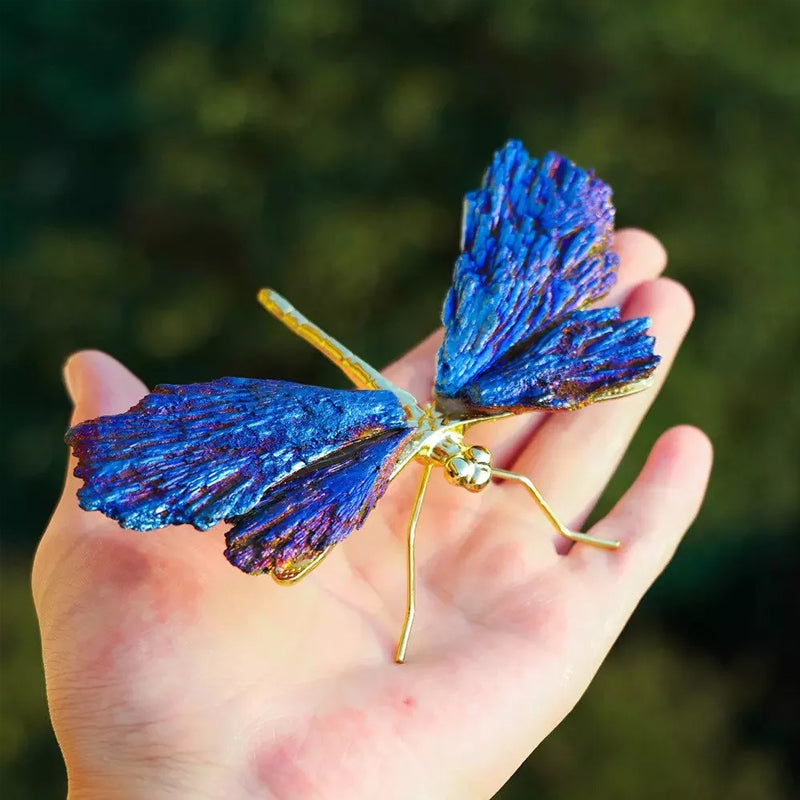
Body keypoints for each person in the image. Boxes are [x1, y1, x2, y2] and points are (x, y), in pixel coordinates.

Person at [33, 229, 712, 799]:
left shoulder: (473, 427)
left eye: (470, 471)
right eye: (469, 469)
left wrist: (566, 529)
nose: (477, 476)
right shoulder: (410, 450)